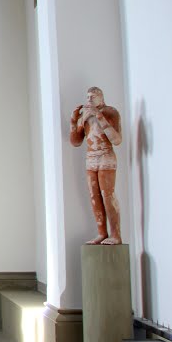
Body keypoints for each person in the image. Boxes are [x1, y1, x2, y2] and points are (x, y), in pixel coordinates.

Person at [69, 87, 122, 245]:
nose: (89, 99)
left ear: (101, 97)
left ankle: (115, 234)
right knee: (94, 197)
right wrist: (74, 122)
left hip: (106, 155)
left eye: (93, 96)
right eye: (88, 97)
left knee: (108, 196)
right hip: (91, 158)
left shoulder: (110, 112)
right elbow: (76, 142)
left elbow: (117, 140)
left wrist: (98, 116)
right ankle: (102, 233)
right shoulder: (84, 115)